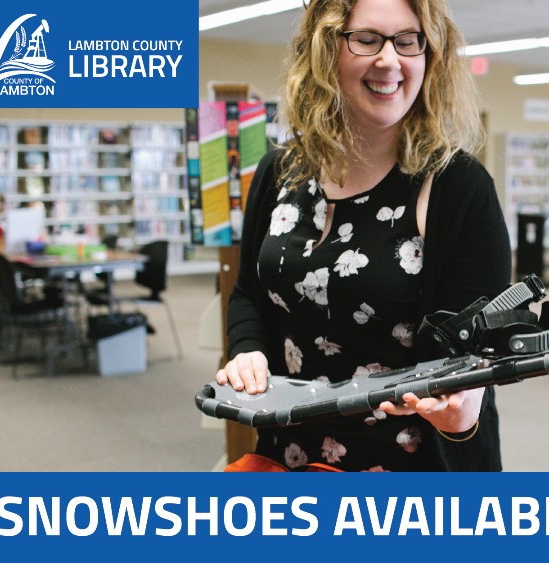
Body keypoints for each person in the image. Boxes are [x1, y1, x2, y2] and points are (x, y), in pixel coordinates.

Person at [216, 0, 511, 472]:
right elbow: (250, 293)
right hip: (289, 456)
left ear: (428, 54)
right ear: (325, 49)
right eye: (367, 39)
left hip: (408, 473)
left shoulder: (458, 187)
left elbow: (478, 351)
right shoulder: (279, 172)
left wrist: (465, 404)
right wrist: (247, 349)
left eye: (407, 41)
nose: (389, 60)